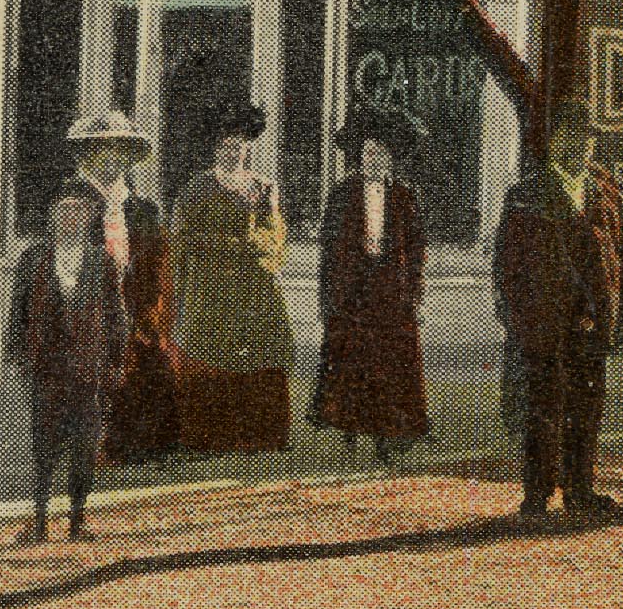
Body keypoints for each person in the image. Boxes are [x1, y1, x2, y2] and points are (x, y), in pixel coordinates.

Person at [494, 96, 623, 522]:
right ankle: (536, 496)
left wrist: (622, 315)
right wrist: (520, 320)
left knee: (586, 409)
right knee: (543, 411)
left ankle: (580, 489)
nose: (579, 147)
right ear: (553, 142)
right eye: (569, 137)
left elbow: (622, 256)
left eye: (586, 139)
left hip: (591, 324)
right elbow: (507, 267)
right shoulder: (526, 195)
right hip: (545, 327)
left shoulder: (604, 190)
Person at [170, 107, 295, 453]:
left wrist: (258, 248)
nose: (233, 151)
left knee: (259, 355)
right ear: (215, 148)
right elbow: (181, 240)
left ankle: (258, 435)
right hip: (209, 288)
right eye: (226, 145)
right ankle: (209, 436)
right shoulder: (196, 188)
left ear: (248, 147)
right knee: (210, 354)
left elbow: (275, 240)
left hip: (254, 288)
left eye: (238, 145)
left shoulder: (264, 187)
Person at [7, 188, 129, 542]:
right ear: (53, 217)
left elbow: (116, 316)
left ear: (89, 219)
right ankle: (41, 521)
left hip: (88, 372)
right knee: (44, 446)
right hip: (47, 369)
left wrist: (116, 361)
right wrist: (20, 358)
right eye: (63, 212)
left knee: (84, 446)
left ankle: (78, 521)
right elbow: (18, 314)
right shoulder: (33, 259)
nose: (70, 219)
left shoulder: (100, 263)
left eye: (78, 213)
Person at [311, 109, 430, 462]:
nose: (374, 160)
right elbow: (328, 251)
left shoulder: (405, 198)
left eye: (381, 154)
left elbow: (417, 249)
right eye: (368, 154)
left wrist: (415, 292)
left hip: (390, 289)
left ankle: (389, 432)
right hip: (352, 288)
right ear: (359, 157)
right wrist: (325, 296)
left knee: (391, 361)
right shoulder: (342, 194)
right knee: (351, 358)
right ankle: (349, 426)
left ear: (391, 160)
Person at [62, 110, 180, 465]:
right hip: (87, 308)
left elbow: (159, 266)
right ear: (88, 154)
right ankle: (92, 443)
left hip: (135, 308)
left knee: (154, 360)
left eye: (121, 150)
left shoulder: (143, 209)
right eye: (104, 149)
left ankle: (145, 448)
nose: (113, 158)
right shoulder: (72, 201)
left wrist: (149, 312)